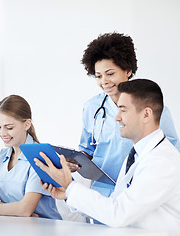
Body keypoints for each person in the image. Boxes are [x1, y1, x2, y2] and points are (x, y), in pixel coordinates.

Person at [36, 79, 180, 236]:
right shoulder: (136, 154)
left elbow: (119, 214)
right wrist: (68, 194)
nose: (116, 117)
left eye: (123, 110)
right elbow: (114, 203)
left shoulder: (162, 162)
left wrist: (71, 186)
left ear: (146, 114)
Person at [76, 32, 179, 197]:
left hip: (141, 192)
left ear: (128, 70)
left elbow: (172, 152)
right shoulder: (91, 108)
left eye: (110, 74)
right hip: (102, 193)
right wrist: (73, 161)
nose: (104, 82)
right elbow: (87, 149)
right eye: (98, 76)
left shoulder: (153, 109)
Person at [0, 95, 62, 219]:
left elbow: (25, 209)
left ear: (27, 124)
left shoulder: (40, 157)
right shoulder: (1, 156)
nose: (3, 133)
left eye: (9, 127)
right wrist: (16, 209)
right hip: (13, 227)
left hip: (44, 231)